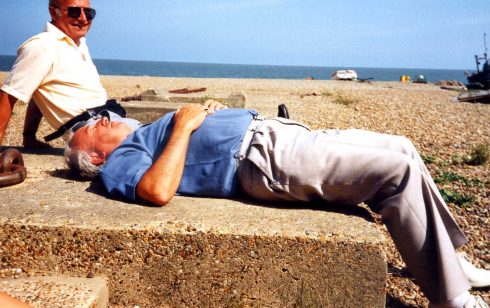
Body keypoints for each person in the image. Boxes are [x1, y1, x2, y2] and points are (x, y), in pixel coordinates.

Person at [65, 103, 490, 308]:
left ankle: (450, 260)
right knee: (394, 171)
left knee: (402, 144)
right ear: (95, 157)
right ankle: (449, 297)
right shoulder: (119, 162)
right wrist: (183, 124)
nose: (101, 119)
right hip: (261, 160)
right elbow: (157, 190)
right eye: (90, 128)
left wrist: (204, 117)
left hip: (275, 135)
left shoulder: (137, 137)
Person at [0, 0, 126, 148]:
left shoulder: (77, 43)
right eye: (74, 11)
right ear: (53, 12)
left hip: (111, 123)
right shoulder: (42, 46)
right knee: (160, 135)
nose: (83, 19)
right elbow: (7, 97)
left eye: (88, 13)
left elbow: (39, 91)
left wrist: (29, 137)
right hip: (95, 132)